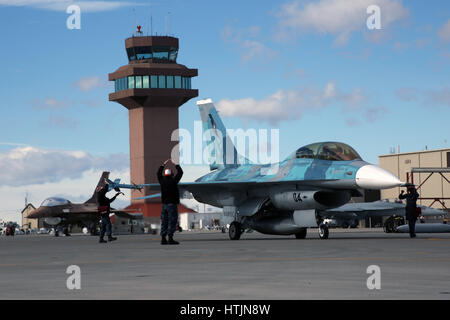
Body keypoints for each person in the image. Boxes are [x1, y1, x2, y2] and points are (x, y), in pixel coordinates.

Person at [157, 158, 183, 245]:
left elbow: (158, 174)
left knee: (164, 221)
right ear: (172, 174)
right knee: (172, 221)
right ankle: (170, 238)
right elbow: (180, 172)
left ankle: (163, 239)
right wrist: (175, 164)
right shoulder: (174, 181)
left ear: (164, 174)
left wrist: (162, 165)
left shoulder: (162, 182)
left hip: (164, 205)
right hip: (172, 205)